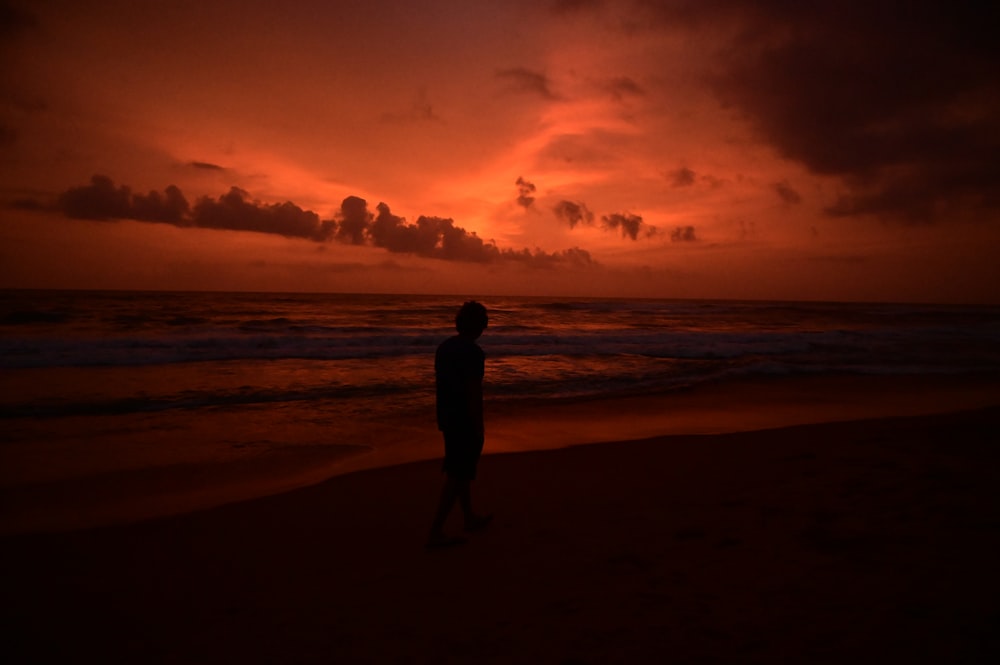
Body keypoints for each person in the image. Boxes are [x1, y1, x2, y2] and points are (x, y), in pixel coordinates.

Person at [427, 300, 494, 548]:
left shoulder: (444, 348)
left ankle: (468, 517)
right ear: (479, 325)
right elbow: (473, 392)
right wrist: (479, 425)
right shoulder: (473, 353)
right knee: (458, 475)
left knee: (461, 471)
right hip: (464, 419)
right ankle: (436, 530)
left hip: (446, 416)